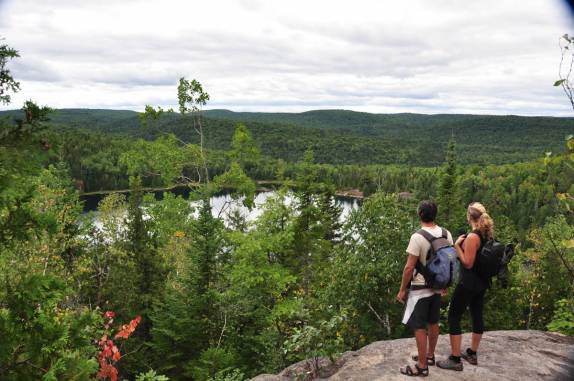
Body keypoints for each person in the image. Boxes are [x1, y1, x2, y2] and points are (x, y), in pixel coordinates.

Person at [397, 200, 452, 377]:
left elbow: (409, 268)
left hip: (420, 289)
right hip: (437, 287)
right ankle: (429, 356)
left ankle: (421, 366)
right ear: (434, 214)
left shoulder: (417, 237)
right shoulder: (446, 233)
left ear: (420, 214)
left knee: (419, 326)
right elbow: (450, 262)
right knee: (434, 322)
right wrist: (445, 284)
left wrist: (402, 290)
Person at [437, 202, 493, 371]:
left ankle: (455, 359)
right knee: (477, 314)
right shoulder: (487, 234)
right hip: (481, 283)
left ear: (469, 217)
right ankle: (472, 353)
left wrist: (456, 247)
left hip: (468, 283)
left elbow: (468, 263)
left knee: (453, 316)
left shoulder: (473, 237)